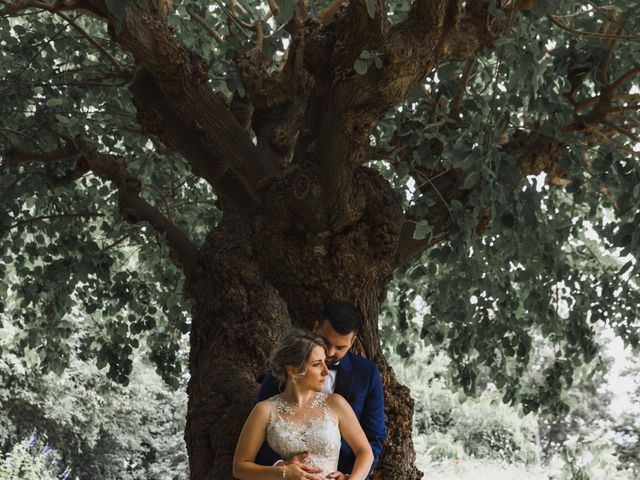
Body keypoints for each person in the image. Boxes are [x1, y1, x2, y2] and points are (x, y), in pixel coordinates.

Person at [255, 301, 386, 479]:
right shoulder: (284, 371)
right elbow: (259, 431)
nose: (330, 352)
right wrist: (280, 467)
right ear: (316, 328)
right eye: (326, 342)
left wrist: (352, 476)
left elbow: (373, 437)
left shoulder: (367, 374)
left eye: (340, 347)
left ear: (352, 341)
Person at [233, 330, 373, 480]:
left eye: (325, 362)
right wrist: (283, 473)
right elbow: (240, 467)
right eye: (317, 364)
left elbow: (365, 452)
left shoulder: (336, 403)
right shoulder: (264, 410)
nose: (326, 371)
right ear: (293, 370)